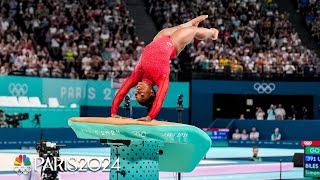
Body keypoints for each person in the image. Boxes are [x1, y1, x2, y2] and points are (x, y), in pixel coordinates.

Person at [111, 15, 219, 121]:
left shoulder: (137, 75)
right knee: (193, 30)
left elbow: (122, 92)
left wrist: (113, 113)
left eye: (136, 94)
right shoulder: (161, 78)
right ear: (152, 93)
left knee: (181, 28)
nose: (138, 91)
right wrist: (150, 117)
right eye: (142, 95)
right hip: (173, 43)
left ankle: (191, 23)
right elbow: (160, 99)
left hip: (158, 40)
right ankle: (213, 32)